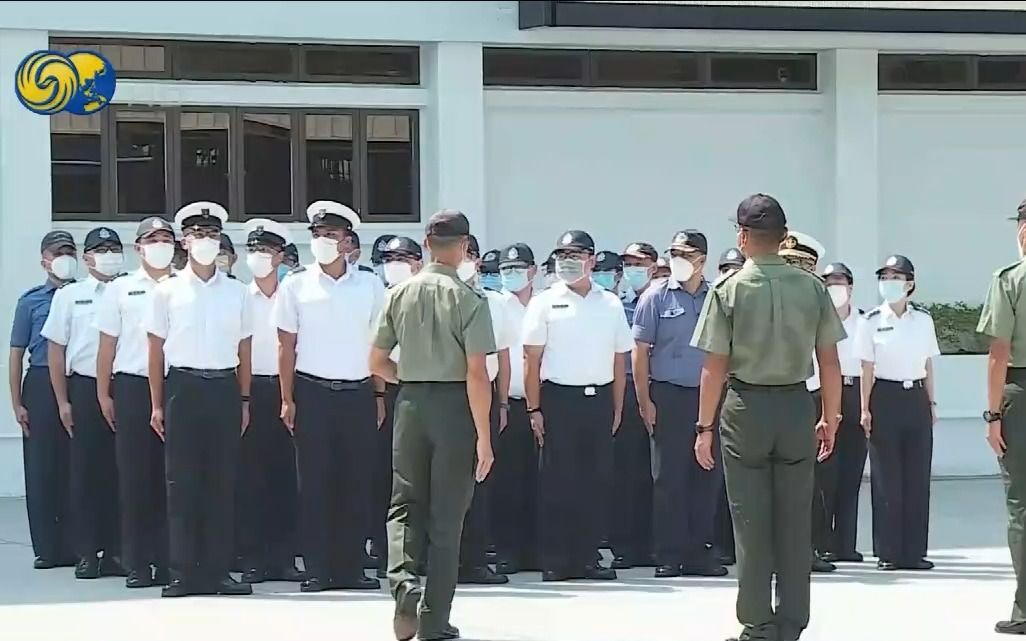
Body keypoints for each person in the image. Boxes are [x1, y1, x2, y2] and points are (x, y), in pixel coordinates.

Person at [691, 193, 845, 641]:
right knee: (795, 520)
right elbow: (830, 361)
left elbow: (714, 366)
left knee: (751, 520)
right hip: (797, 404)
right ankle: (793, 619)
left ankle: (758, 622)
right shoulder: (812, 286)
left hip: (746, 408)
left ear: (741, 237)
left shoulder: (729, 289)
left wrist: (703, 427)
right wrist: (830, 418)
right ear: (783, 237)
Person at [369, 209, 495, 641]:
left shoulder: (399, 293)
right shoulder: (470, 299)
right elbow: (478, 373)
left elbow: (376, 362)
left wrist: (410, 377)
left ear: (425, 244)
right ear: (463, 247)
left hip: (410, 403)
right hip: (455, 407)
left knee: (404, 504)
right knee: (447, 517)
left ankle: (402, 582)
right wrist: (484, 437)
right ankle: (434, 618)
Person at [144, 201, 253, 598]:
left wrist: (244, 399)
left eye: (211, 235)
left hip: (223, 387)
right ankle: (183, 572)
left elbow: (245, 349)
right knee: (182, 483)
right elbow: (155, 350)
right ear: (184, 242)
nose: (205, 242)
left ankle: (219, 570)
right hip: (183, 388)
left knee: (221, 482)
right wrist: (157, 404)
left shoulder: (238, 293)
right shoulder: (167, 291)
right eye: (198, 235)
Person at [274, 200, 384, 593]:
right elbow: (286, 346)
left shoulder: (369, 285)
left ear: (348, 242)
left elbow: (380, 344)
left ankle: (352, 566)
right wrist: (287, 398)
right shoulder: (296, 284)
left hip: (357, 393)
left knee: (355, 482)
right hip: (313, 391)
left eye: (331, 235)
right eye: (318, 235)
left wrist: (379, 393)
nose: (323, 241)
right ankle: (318, 568)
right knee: (316, 482)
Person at [523, 229, 633, 582]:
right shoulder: (544, 301)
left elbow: (619, 359)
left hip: (598, 399)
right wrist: (534, 409)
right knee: (558, 482)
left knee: (595, 481)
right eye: (562, 255)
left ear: (591, 258)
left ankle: (587, 557)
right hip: (558, 399)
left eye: (575, 255)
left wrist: (617, 407)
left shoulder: (610, 303)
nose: (568, 262)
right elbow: (532, 359)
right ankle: (556, 559)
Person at [633, 230, 726, 578]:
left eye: (685, 254)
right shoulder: (656, 297)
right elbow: (639, 353)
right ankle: (669, 553)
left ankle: (699, 550)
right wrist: (645, 401)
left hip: (709, 397)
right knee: (669, 478)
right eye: (673, 253)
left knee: (706, 474)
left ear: (702, 259)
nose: (678, 260)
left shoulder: (717, 297)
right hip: (668, 396)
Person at [41, 226, 127, 581]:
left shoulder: (131, 290)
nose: (107, 254)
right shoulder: (70, 295)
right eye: (99, 249)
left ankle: (119, 550)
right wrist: (62, 401)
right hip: (85, 389)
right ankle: (88, 552)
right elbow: (56, 351)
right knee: (86, 473)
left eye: (113, 248)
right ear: (86, 257)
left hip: (125, 389)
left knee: (123, 474)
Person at [94, 217, 175, 588]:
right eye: (152, 239)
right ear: (138, 248)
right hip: (132, 387)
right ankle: (138, 562)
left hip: (177, 387)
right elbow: (107, 345)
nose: (160, 245)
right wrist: (102, 393)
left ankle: (170, 560)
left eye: (166, 239)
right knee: (135, 477)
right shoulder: (120, 289)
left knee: (173, 479)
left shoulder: (185, 285)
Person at [855, 254, 939, 572]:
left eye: (896, 278)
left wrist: (932, 403)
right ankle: (888, 551)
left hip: (915, 396)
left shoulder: (923, 320)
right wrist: (864, 408)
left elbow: (929, 363)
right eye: (885, 277)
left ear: (910, 284)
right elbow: (866, 368)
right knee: (887, 477)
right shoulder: (872, 320)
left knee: (917, 477)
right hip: (884, 397)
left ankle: (914, 551)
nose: (890, 283)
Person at [234, 219, 303, 585]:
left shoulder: (294, 293)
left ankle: (285, 557)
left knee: (286, 476)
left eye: (266, 250)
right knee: (250, 478)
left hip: (288, 389)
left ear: (280, 256)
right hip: (250, 390)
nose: (259, 257)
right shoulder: (236, 295)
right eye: (253, 250)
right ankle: (253, 557)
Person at [9, 230, 78, 570]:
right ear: (44, 260)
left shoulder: (87, 294)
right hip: (39, 384)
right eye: (56, 252)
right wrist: (17, 401)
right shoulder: (31, 301)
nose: (63, 257)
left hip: (77, 381)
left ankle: (77, 543)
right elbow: (16, 353)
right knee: (41, 467)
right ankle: (47, 548)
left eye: (68, 251)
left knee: (76, 465)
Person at [977, 199, 1026, 635]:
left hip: (1020, 392)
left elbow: (999, 353)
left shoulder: (1010, 280)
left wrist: (992, 415)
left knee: (1022, 506)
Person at [778, 230, 837, 575]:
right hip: (777, 393)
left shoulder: (817, 302)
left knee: (808, 481)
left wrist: (831, 412)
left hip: (809, 395)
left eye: (798, 266)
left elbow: (830, 361)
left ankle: (808, 547)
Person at [455, 237, 511, 585]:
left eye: (471, 255)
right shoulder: (439, 297)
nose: (466, 261)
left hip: (485, 396)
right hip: (447, 394)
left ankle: (475, 559)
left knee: (481, 477)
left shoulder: (495, 303)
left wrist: (503, 402)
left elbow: (502, 356)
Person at [373, 236, 425, 579]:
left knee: (420, 477)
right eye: (390, 258)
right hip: (389, 392)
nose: (396, 263)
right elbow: (374, 355)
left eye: (404, 257)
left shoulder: (427, 296)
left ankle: (417, 553)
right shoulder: (376, 295)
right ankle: (385, 553)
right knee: (385, 477)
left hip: (424, 394)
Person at [492, 242, 542, 575]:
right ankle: (507, 549)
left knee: (541, 481)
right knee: (507, 482)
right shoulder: (494, 304)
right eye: (506, 270)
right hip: (507, 402)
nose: (512, 275)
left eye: (518, 268)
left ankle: (537, 549)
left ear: (533, 271)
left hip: (542, 404)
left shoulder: (546, 303)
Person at [609, 241, 658, 571]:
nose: (632, 268)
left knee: (657, 475)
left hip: (661, 393)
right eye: (628, 263)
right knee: (626, 474)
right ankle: (625, 546)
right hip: (627, 394)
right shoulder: (619, 305)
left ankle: (654, 543)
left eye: (638, 262)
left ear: (654, 265)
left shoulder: (662, 301)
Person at [816, 262, 868, 564]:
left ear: (850, 286)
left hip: (855, 392)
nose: (834, 287)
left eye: (839, 281)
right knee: (825, 472)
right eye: (828, 282)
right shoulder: (816, 319)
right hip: (826, 394)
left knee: (851, 472)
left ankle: (845, 543)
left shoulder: (864, 321)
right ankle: (824, 542)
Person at [712, 247, 745, 566]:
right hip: (715, 395)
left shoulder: (751, 305)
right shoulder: (715, 303)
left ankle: (738, 545)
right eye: (725, 268)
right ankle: (718, 541)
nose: (729, 273)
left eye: (736, 267)